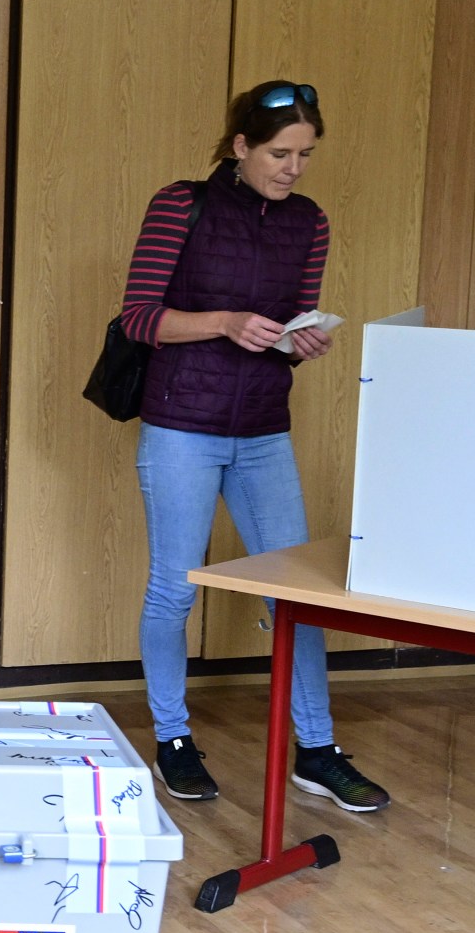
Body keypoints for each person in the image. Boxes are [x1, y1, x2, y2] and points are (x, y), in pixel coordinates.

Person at [118, 80, 391, 813]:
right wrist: (225, 321)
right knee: (175, 587)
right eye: (279, 152)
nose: (293, 167)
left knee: (295, 593)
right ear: (240, 147)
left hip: (264, 426)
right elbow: (141, 318)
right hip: (181, 422)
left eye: (305, 154)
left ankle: (316, 749)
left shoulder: (310, 223)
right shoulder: (182, 205)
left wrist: (304, 340)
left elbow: (289, 328)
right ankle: (173, 739)